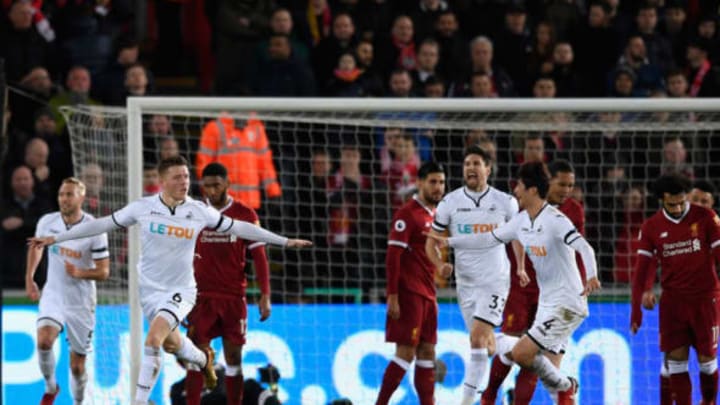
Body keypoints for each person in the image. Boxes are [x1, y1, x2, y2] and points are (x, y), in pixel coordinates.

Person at [29, 156, 312, 405]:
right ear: (163, 181)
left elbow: (241, 227)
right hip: (149, 292)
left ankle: (139, 401)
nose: (184, 181)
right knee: (171, 344)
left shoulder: (198, 211)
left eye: (187, 176)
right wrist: (56, 238)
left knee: (153, 340)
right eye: (177, 177)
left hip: (181, 291)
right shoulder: (143, 207)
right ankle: (203, 359)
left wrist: (284, 241)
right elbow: (101, 223)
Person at [428, 161, 601, 405]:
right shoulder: (521, 221)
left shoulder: (556, 219)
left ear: (531, 190)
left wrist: (592, 275)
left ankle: (565, 386)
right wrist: (450, 242)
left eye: (519, 186)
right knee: (532, 361)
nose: (515, 191)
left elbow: (584, 247)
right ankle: (563, 388)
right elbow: (488, 238)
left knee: (520, 351)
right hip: (546, 302)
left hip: (568, 302)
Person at [425, 146, 524, 405]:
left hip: (495, 280)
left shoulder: (506, 202)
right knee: (488, 346)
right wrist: (439, 265)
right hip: (465, 283)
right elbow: (431, 243)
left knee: (477, 339)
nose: (470, 168)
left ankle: (469, 401)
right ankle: (528, 346)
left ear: (488, 169)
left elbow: (518, 238)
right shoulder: (450, 203)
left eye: (476, 163)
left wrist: (521, 267)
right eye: (467, 163)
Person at [482, 159, 586, 404]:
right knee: (514, 343)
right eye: (561, 184)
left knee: (531, 354)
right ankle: (489, 395)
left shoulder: (573, 211)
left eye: (571, 186)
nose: (566, 191)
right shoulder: (526, 202)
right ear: (547, 184)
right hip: (521, 286)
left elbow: (577, 252)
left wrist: (582, 285)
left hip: (553, 293)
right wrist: (517, 267)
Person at [184, 162, 272, 405]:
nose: (212, 190)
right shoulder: (194, 212)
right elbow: (179, 253)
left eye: (217, 185)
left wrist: (265, 294)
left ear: (228, 184)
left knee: (234, 357)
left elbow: (260, 257)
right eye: (207, 185)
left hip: (233, 296)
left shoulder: (245, 214)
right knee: (196, 355)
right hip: (201, 298)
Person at [631, 174, 720, 405]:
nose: (679, 207)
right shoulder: (651, 227)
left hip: (705, 299)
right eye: (673, 204)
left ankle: (709, 401)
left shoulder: (706, 217)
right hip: (673, 303)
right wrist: (638, 306)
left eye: (682, 202)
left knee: (707, 360)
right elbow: (643, 270)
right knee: (675, 362)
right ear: (661, 200)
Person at [25, 177, 111, 405]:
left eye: (69, 194)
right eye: (61, 194)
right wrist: (30, 277)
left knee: (77, 367)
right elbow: (37, 248)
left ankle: (78, 402)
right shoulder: (47, 221)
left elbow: (103, 272)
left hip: (81, 302)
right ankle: (51, 388)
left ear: (81, 197)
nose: (64, 199)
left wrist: (81, 273)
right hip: (53, 293)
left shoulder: (95, 228)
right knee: (43, 341)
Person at [375, 162, 446, 405]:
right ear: (420, 183)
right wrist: (393, 295)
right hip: (409, 293)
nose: (438, 188)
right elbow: (392, 257)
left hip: (429, 293)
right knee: (405, 352)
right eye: (433, 182)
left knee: (427, 353)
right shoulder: (407, 214)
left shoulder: (436, 216)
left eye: (441, 182)